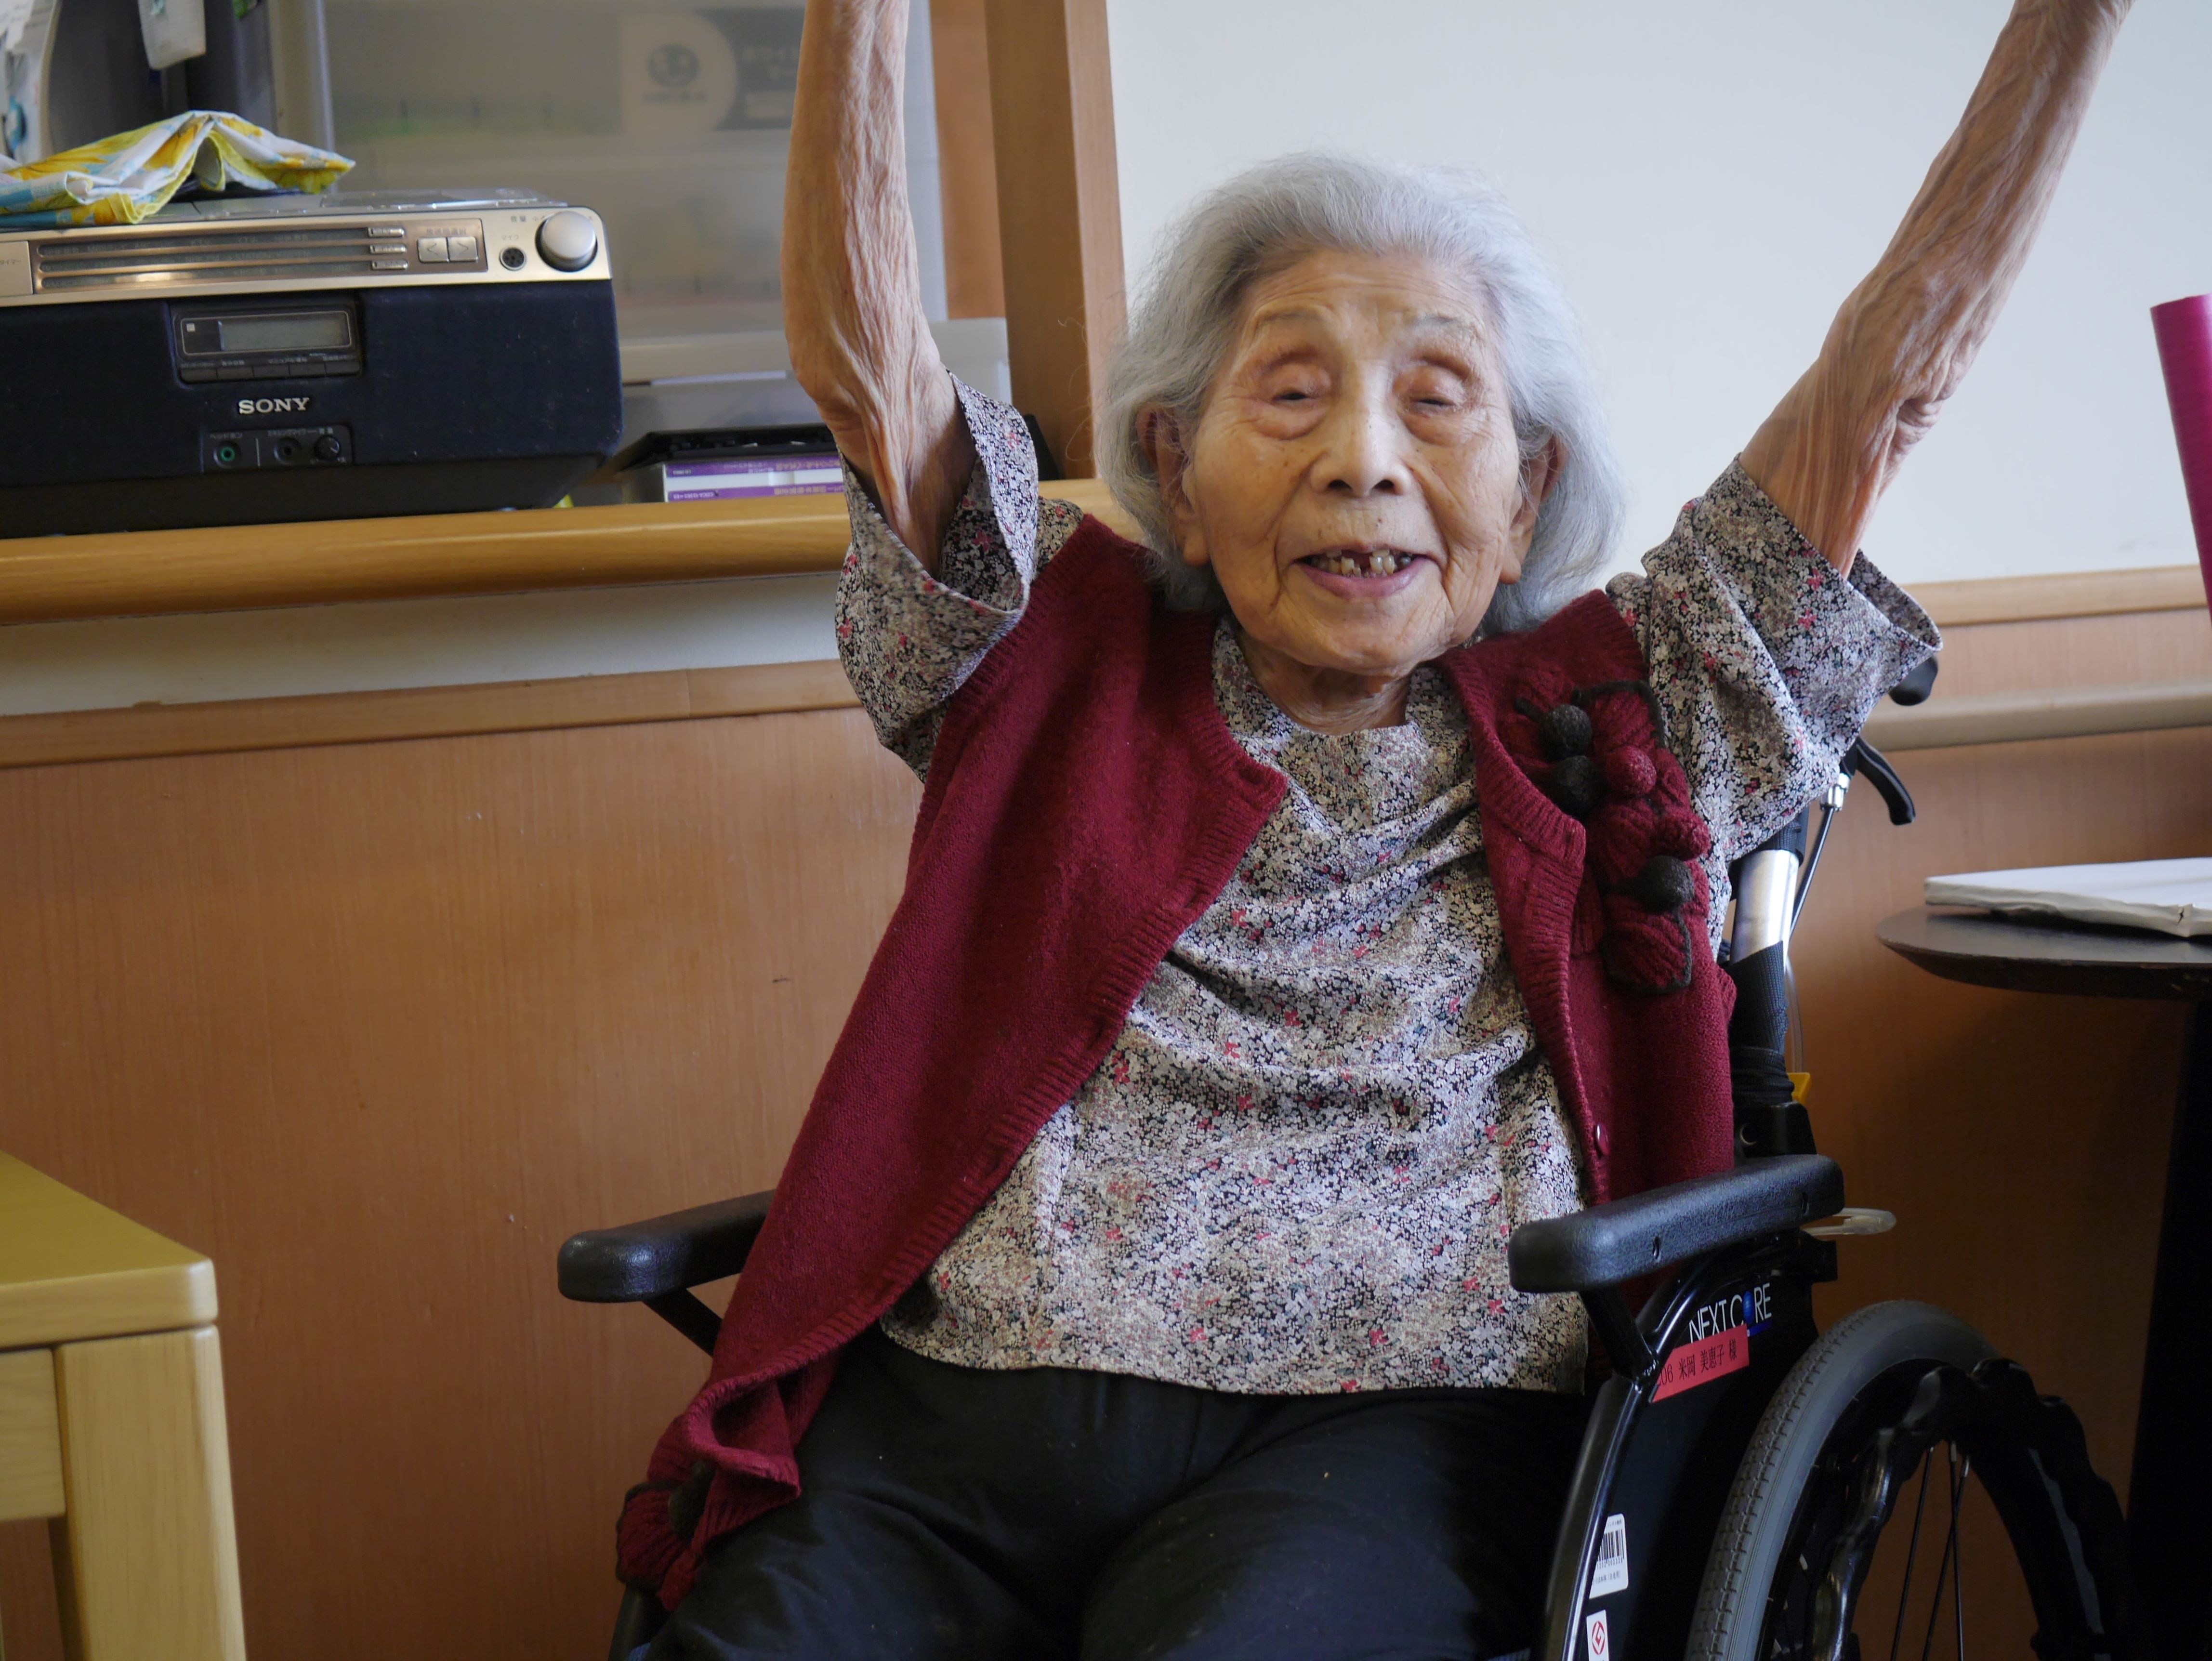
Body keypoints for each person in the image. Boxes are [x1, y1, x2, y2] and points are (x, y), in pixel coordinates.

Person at [626, 1, 2128, 1654]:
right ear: (1174, 470)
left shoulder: (1642, 708)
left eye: (1437, 400)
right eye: (1290, 393)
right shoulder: (1046, 654)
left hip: (1400, 1429)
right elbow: (866, 365)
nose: (1363, 461)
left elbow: (1885, 390)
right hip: (967, 1419)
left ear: (1528, 491)